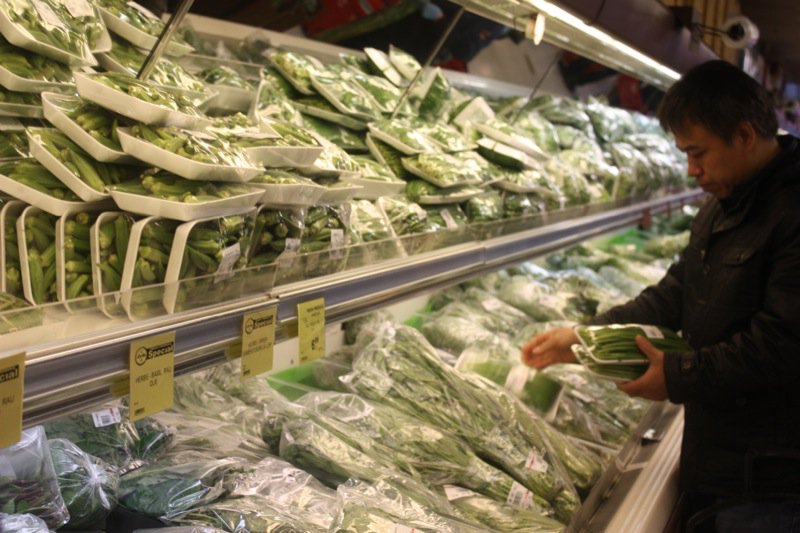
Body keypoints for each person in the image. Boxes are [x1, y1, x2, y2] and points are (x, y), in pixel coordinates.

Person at [521, 60, 800, 532]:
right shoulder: (722, 206)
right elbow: (676, 293)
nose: (692, 170)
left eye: (698, 153)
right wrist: (586, 337)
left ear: (745, 136)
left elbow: (781, 344)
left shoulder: (791, 211)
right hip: (724, 459)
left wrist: (675, 375)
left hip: (771, 481)